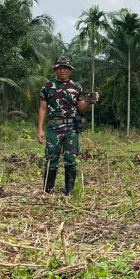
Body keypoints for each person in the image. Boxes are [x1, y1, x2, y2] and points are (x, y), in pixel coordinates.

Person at [37, 57, 98, 195]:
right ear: (55, 70)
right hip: (54, 128)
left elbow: (81, 108)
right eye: (59, 68)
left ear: (70, 70)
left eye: (65, 68)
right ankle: (48, 191)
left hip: (71, 128)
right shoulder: (47, 87)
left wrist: (89, 100)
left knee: (70, 160)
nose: (62, 70)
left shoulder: (76, 87)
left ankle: (69, 192)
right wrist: (40, 129)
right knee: (51, 159)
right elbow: (42, 108)